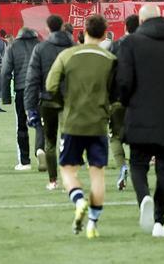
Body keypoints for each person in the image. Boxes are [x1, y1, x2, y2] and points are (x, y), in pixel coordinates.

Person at [116, 4, 164, 238]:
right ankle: (160, 221)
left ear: (141, 20)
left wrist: (125, 102)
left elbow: (124, 82)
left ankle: (143, 197)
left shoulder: (130, 43)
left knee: (138, 163)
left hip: (138, 113)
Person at [44, 13, 117, 239]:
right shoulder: (110, 59)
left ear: (84, 31)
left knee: (68, 170)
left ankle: (78, 200)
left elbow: (50, 85)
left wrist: (62, 104)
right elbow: (118, 93)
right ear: (105, 33)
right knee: (98, 176)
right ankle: (93, 224)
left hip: (72, 122)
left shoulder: (67, 55)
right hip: (98, 125)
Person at [25, 14, 74, 190]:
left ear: (47, 28)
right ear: (62, 27)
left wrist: (30, 107)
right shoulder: (74, 47)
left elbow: (32, 79)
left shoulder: (41, 48)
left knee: (50, 141)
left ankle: (53, 180)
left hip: (47, 100)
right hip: (71, 99)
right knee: (68, 138)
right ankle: (69, 178)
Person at [1, 25, 44, 171]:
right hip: (39, 90)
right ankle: (40, 149)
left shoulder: (12, 46)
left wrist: (5, 97)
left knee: (21, 125)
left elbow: (5, 72)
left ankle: (25, 162)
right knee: (40, 123)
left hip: (21, 90)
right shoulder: (40, 45)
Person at [107, 14, 139, 190]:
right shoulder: (147, 45)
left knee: (115, 136)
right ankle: (137, 171)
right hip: (141, 100)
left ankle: (122, 166)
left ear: (125, 27)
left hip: (118, 99)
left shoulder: (116, 45)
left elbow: (108, 71)